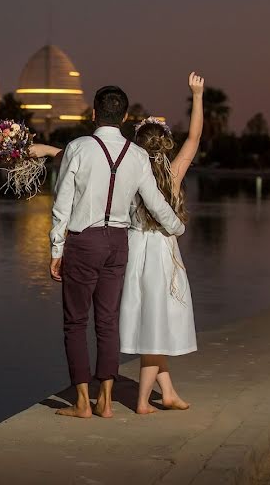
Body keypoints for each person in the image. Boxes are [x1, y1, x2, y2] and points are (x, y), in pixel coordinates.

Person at [32, 72, 204, 416]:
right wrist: (176, 226)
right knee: (107, 322)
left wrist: (56, 249)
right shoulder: (136, 157)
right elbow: (156, 202)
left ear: (94, 113)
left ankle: (83, 401)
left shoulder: (80, 149)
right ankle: (107, 401)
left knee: (76, 323)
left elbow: (62, 203)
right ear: (124, 117)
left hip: (86, 242)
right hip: (119, 245)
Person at [120, 72, 203, 414]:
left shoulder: (127, 171)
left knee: (153, 321)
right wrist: (197, 95)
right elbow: (195, 137)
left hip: (135, 251)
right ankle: (143, 401)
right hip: (162, 253)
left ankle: (166, 393)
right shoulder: (173, 174)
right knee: (157, 324)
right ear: (165, 144)